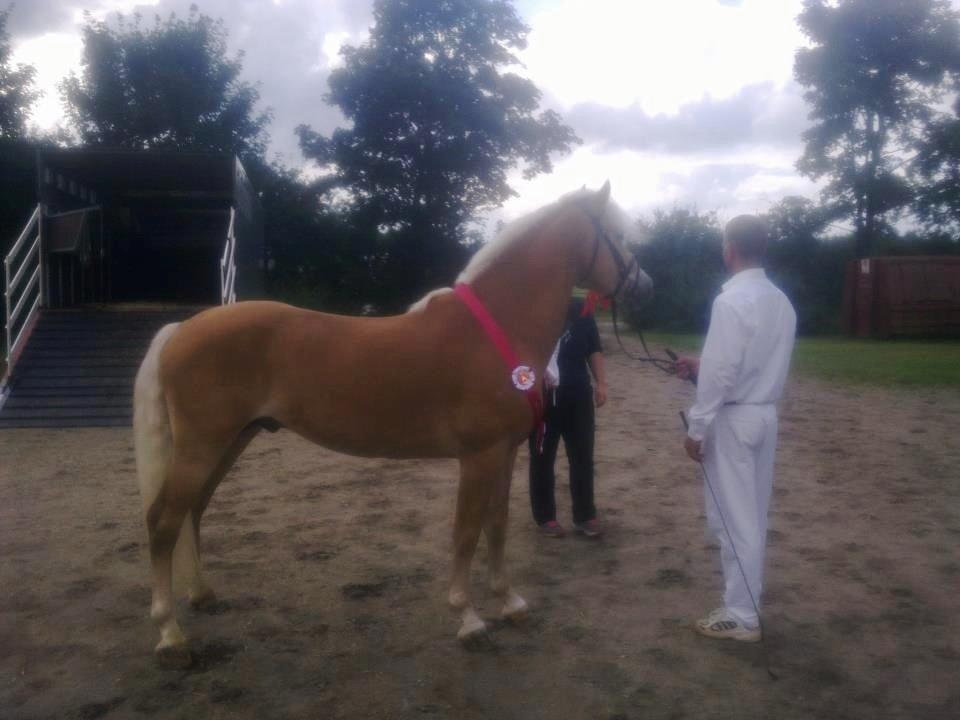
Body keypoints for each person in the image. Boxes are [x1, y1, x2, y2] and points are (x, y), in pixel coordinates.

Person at [673, 215, 796, 642]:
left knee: (731, 517)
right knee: (752, 514)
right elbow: (745, 363)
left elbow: (723, 374)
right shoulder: (780, 301)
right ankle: (747, 603)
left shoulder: (731, 301)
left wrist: (697, 427)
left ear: (729, 249)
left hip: (734, 419)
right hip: (763, 414)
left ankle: (742, 615)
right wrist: (701, 367)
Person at [528, 298, 608, 539]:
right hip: (543, 398)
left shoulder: (583, 311)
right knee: (542, 457)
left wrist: (601, 382)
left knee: (583, 456)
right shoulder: (533, 306)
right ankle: (545, 517)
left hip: (578, 395)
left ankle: (585, 515)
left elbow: (594, 348)